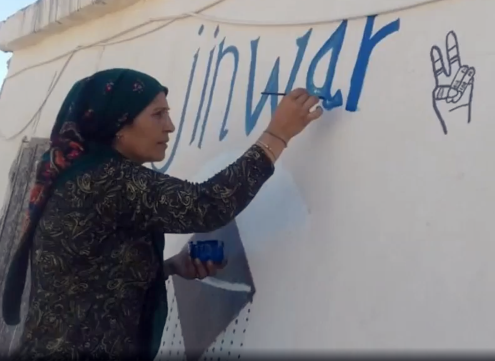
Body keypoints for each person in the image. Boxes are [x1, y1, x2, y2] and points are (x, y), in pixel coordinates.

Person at [1, 68, 323, 360]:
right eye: (158, 114)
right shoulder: (106, 179)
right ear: (118, 125)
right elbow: (207, 205)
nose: (170, 126)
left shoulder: (82, 176)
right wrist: (277, 135)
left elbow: (91, 276)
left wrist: (167, 267)